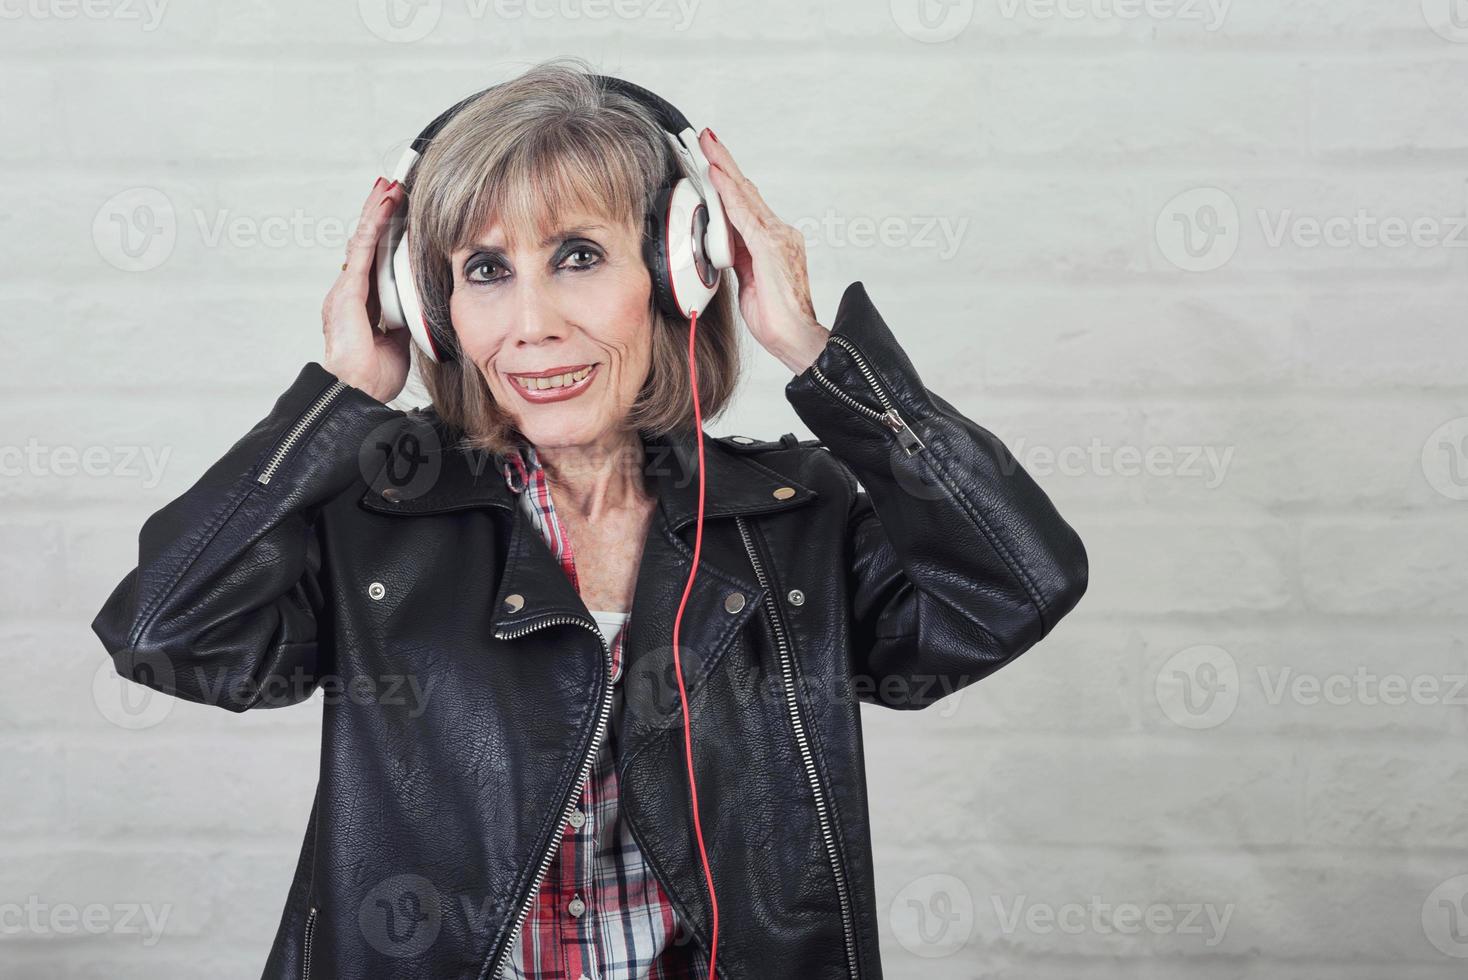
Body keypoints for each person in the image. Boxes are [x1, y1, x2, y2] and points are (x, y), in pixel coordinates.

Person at [91, 58, 1088, 980]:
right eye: (485, 269)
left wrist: (816, 350)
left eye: (577, 255)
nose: (531, 323)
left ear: (678, 270)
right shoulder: (372, 522)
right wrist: (336, 402)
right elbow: (163, 633)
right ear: (428, 304)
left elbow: (1016, 581)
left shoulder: (793, 519)